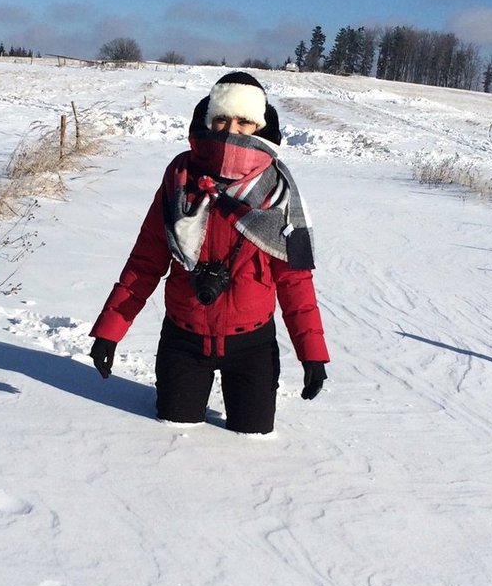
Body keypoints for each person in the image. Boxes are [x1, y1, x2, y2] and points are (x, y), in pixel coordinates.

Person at [89, 71, 329, 435]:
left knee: (254, 438)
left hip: (252, 345)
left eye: (244, 121)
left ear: (260, 127)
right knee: (172, 431)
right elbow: (146, 261)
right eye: (222, 119)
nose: (231, 130)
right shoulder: (181, 177)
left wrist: (311, 353)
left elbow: (294, 278)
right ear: (208, 119)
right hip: (185, 339)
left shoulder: (278, 190)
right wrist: (110, 331)